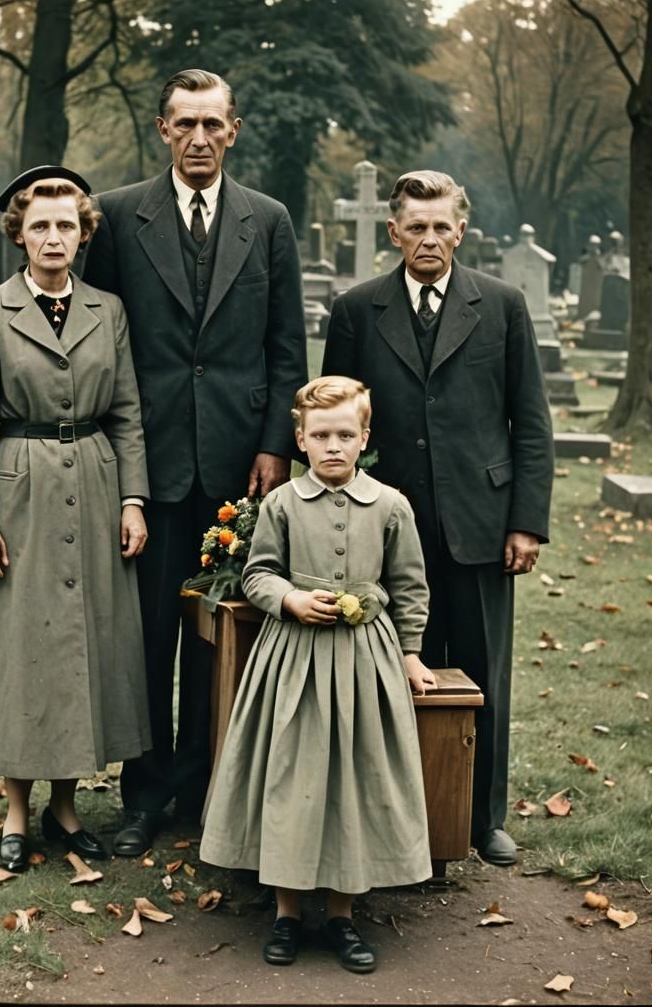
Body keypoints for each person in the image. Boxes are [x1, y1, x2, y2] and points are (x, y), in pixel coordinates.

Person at [81, 68, 308, 855]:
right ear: (163, 129)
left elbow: (287, 346)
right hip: (148, 467)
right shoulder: (116, 218)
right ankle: (144, 799)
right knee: (147, 639)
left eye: (214, 124)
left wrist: (277, 446)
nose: (201, 138)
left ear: (234, 130)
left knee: (224, 644)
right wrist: (119, 469)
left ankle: (214, 790)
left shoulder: (269, 220)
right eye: (186, 124)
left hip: (239, 470)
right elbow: (99, 348)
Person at [321, 169, 553, 868]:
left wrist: (526, 522)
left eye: (440, 226)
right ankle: (387, 813)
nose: (428, 238)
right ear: (394, 233)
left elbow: (531, 422)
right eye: (414, 227)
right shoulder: (358, 309)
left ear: (461, 229)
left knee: (481, 669)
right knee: (385, 668)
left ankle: (483, 818)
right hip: (385, 523)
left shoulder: (503, 305)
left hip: (480, 521)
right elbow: (335, 414)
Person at [0, 165, 152, 872]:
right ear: (19, 234)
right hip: (21, 493)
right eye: (40, 225)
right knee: (24, 649)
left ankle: (66, 806)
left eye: (67, 224)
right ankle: (15, 809)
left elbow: (127, 412)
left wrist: (133, 500)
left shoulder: (108, 310)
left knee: (79, 646)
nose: (54, 236)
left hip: (95, 484)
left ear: (84, 231)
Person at [199, 376, 436, 972]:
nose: (334, 446)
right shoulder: (280, 504)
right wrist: (290, 600)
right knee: (293, 777)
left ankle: (341, 915)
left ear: (364, 438)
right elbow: (257, 575)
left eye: (346, 435)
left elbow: (409, 587)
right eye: (321, 435)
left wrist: (409, 653)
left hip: (365, 663)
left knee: (354, 781)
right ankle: (285, 913)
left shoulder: (390, 506)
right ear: (300, 439)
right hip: (294, 662)